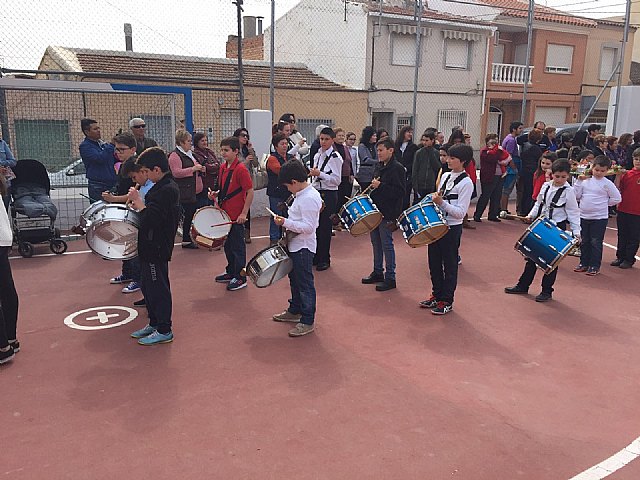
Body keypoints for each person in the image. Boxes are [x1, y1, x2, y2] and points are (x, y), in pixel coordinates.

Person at [504, 159, 581, 302]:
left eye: (563, 177)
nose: (560, 179)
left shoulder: (569, 191)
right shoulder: (546, 186)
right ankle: (523, 285)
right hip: (542, 225)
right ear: (552, 174)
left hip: (557, 228)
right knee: (531, 257)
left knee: (551, 261)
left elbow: (573, 212)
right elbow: (539, 203)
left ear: (568, 176)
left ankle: (547, 291)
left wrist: (576, 232)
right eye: (557, 176)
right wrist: (531, 215)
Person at [127, 147, 181, 346]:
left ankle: (165, 329)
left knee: (158, 288)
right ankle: (154, 322)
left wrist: (139, 203)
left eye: (147, 172)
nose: (146, 176)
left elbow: (153, 219)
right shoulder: (160, 187)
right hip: (148, 246)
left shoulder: (167, 189)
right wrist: (139, 206)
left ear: (157, 170)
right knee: (148, 287)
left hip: (157, 247)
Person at [419, 144, 474, 315]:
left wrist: (442, 203)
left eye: (452, 158)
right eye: (447, 157)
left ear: (463, 161)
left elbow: (460, 213)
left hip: (451, 228)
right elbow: (439, 197)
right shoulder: (445, 176)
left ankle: (447, 300)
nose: (447, 160)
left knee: (449, 266)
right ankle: (436, 295)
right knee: (434, 263)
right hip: (437, 225)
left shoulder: (466, 183)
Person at [271, 160, 323, 337]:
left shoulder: (309, 198)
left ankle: (307, 320)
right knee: (295, 280)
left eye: (288, 186)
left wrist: (285, 222)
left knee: (305, 283)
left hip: (303, 247)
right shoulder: (302, 194)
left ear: (294, 182)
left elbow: (309, 227)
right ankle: (295, 310)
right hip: (295, 245)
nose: (288, 190)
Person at [361, 138, 405, 291]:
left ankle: (390, 277)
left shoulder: (397, 168)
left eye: (381, 150)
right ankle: (378, 271)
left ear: (390, 150)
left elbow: (399, 192)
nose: (378, 153)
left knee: (387, 244)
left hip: (388, 212)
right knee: (376, 242)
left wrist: (381, 186)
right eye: (377, 150)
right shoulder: (379, 166)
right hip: (376, 210)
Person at [103, 133, 145, 294]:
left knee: (133, 245)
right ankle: (127, 273)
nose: (118, 153)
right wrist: (112, 194)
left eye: (122, 149)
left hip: (134, 210)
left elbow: (134, 193)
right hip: (125, 208)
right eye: (116, 150)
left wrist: (114, 199)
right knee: (125, 243)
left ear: (133, 149)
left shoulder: (138, 167)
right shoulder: (122, 166)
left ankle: (137, 278)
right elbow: (123, 189)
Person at [211, 136, 254, 290]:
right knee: (228, 246)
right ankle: (231, 271)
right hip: (225, 214)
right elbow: (225, 189)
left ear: (236, 151)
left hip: (236, 216)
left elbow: (249, 191)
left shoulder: (241, 169)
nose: (223, 153)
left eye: (226, 150)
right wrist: (215, 194)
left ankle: (241, 277)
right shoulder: (223, 167)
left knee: (238, 247)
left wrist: (244, 213)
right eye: (222, 150)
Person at [573, 155, 621, 276]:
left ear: (607, 171)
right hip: (584, 216)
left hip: (599, 218)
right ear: (592, 167)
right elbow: (576, 196)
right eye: (597, 170)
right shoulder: (585, 181)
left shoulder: (607, 184)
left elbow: (617, 198)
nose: (599, 173)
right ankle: (583, 263)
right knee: (584, 241)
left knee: (595, 242)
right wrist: (578, 181)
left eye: (602, 171)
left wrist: (605, 204)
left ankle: (594, 265)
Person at [310, 127, 342, 271]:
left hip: (329, 193)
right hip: (317, 191)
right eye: (321, 139)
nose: (323, 142)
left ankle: (325, 258)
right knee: (316, 226)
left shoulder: (335, 157)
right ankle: (316, 256)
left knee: (325, 227)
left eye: (326, 139)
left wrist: (320, 174)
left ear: (332, 140)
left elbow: (337, 180)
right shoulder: (317, 155)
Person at [168, 129, 206, 249]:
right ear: (181, 142)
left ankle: (187, 237)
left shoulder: (190, 153)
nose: (191, 143)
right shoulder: (175, 156)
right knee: (184, 216)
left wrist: (200, 168)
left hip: (193, 191)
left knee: (191, 215)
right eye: (188, 141)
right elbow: (176, 172)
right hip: (184, 192)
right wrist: (193, 169)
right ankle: (183, 238)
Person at [0, 175, 19, 364]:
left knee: (5, 290)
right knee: (6, 289)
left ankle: (3, 347)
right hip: (2, 237)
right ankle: (10, 339)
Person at [612, 148, 640, 269]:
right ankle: (620, 256)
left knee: (634, 236)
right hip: (624, 209)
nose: (638, 161)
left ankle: (629, 258)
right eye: (636, 159)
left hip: (637, 211)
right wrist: (618, 175)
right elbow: (617, 187)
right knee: (622, 234)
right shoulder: (627, 174)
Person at [474, 134, 511, 222]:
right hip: (489, 176)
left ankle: (493, 215)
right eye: (493, 141)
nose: (495, 143)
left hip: (500, 175)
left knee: (497, 195)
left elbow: (506, 157)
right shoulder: (484, 151)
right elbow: (493, 158)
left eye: (496, 141)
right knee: (486, 195)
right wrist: (498, 151)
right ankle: (477, 215)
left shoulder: (500, 150)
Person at [79, 118, 118, 202]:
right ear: (87, 132)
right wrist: (111, 145)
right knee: (100, 207)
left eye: (98, 128)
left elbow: (112, 159)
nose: (98, 131)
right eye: (95, 129)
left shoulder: (102, 144)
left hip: (111, 183)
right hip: (98, 185)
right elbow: (99, 158)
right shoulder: (85, 146)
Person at [266, 133, 292, 244]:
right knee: (276, 215)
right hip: (276, 192)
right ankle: (274, 239)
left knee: (288, 215)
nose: (285, 146)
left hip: (289, 192)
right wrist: (293, 171)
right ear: (276, 146)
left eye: (286, 143)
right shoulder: (272, 158)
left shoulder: (291, 157)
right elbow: (280, 171)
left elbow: (299, 169)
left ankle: (286, 238)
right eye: (282, 144)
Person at [233, 128, 257, 244]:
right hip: (236, 182)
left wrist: (251, 150)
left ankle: (247, 233)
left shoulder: (247, 150)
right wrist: (246, 161)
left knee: (247, 208)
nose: (245, 138)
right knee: (237, 206)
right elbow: (234, 165)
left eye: (247, 136)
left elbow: (256, 164)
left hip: (247, 181)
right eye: (243, 135)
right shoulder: (234, 150)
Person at [412, 130, 442, 204]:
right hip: (420, 185)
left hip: (431, 185)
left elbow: (437, 168)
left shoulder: (436, 153)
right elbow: (415, 169)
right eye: (423, 140)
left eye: (427, 140)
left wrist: (431, 154)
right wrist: (415, 185)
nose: (424, 142)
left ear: (432, 140)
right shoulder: (419, 153)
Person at [519, 129, 544, 216]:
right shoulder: (536, 148)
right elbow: (539, 159)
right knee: (531, 192)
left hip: (525, 170)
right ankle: (528, 211)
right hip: (532, 171)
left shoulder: (525, 145)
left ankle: (522, 210)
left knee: (525, 191)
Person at [501, 122, 523, 215]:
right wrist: (514, 168)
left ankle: (502, 208)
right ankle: (503, 208)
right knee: (507, 189)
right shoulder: (511, 140)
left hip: (510, 168)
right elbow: (509, 156)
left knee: (506, 189)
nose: (521, 130)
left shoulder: (510, 139)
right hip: (510, 170)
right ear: (514, 129)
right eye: (520, 128)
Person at [192, 132, 220, 205]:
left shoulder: (209, 152)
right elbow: (205, 166)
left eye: (206, 140)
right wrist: (212, 167)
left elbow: (218, 164)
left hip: (212, 184)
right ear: (197, 142)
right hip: (204, 186)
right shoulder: (195, 154)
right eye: (202, 141)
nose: (205, 142)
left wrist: (211, 167)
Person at [394, 126, 418, 209]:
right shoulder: (396, 146)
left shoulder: (413, 147)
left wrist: (406, 168)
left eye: (411, 132)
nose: (410, 134)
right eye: (408, 132)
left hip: (407, 175)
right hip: (396, 174)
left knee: (405, 196)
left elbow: (414, 162)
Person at [334, 128, 354, 223]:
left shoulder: (345, 148)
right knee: (337, 199)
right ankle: (335, 220)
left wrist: (352, 174)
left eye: (343, 135)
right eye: (339, 135)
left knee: (345, 198)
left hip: (346, 177)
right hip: (337, 177)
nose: (341, 137)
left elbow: (349, 162)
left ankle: (343, 220)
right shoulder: (332, 148)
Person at [356, 126, 378, 192]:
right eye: (373, 136)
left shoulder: (375, 146)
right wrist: (377, 161)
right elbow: (365, 159)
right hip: (364, 175)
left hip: (374, 174)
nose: (375, 137)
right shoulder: (362, 146)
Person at [0, 138, 17, 210]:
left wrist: (3, 164)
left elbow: (13, 161)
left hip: (4, 182)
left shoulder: (2, 143)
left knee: (4, 206)